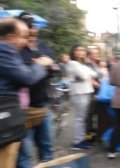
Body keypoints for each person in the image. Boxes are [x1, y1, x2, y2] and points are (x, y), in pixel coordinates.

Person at [0, 18, 52, 168]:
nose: (26, 41)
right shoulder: (4, 48)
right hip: (6, 112)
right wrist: (40, 65)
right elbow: (27, 77)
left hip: (13, 111)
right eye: (23, 36)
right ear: (10, 37)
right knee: (10, 158)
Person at [16, 12, 57, 168]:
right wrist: (40, 64)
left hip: (42, 104)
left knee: (47, 147)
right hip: (23, 110)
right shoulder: (16, 49)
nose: (32, 30)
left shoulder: (41, 45)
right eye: (28, 26)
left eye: (33, 26)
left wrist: (44, 65)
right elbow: (24, 76)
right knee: (25, 153)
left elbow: (53, 66)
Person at [66, 45, 97, 150]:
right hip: (78, 93)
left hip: (85, 92)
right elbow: (84, 76)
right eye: (78, 50)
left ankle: (82, 139)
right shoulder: (72, 63)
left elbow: (94, 73)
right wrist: (87, 75)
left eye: (83, 50)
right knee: (79, 118)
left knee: (83, 118)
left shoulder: (81, 64)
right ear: (73, 52)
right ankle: (77, 142)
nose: (81, 52)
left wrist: (87, 74)